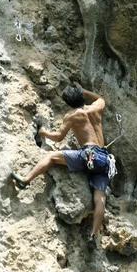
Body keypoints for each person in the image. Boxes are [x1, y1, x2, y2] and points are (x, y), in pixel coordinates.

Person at [11, 82, 115, 247]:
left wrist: (44, 133)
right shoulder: (96, 108)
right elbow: (101, 98)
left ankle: (25, 180)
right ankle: (93, 235)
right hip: (104, 159)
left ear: (67, 102)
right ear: (81, 96)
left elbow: (59, 137)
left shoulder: (72, 115)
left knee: (51, 157)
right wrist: (83, 89)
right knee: (100, 197)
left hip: (89, 155)